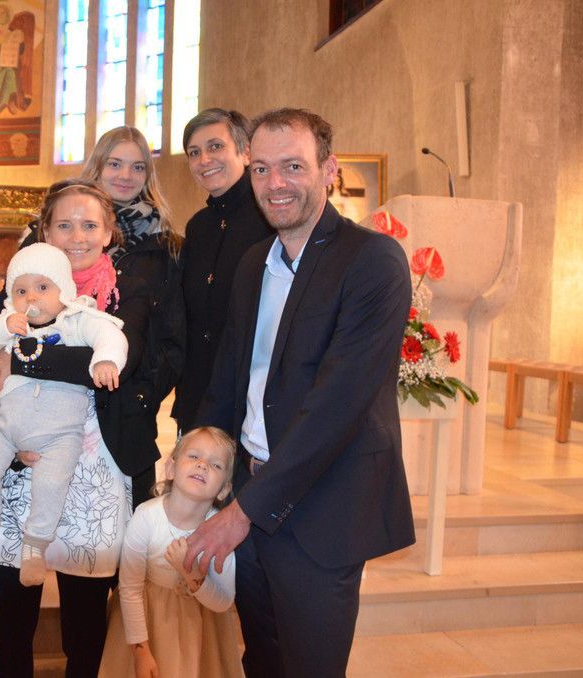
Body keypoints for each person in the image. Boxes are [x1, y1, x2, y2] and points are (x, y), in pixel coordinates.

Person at [185, 108, 416, 677]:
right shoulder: (253, 265)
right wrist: (201, 472)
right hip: (249, 490)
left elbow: (336, 408)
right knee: (261, 659)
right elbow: (230, 379)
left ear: (329, 170)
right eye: (262, 169)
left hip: (323, 508)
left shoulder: (372, 260)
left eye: (293, 166)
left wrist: (241, 513)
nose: (275, 183)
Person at [0, 178, 150, 678]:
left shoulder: (128, 292)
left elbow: (130, 362)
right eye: (64, 225)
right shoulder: (20, 287)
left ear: (108, 232)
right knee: (14, 615)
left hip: (95, 467)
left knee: (85, 622)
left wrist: (26, 360)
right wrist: (7, 439)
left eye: (89, 225)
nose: (77, 236)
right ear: (45, 230)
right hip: (24, 459)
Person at [0, 242, 128, 586]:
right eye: (21, 291)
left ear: (63, 290)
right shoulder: (9, 323)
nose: (31, 297)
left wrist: (106, 360)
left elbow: (110, 335)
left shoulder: (77, 320)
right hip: (4, 426)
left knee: (51, 485)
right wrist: (2, 328)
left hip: (60, 434)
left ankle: (35, 544)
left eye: (43, 287)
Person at [81, 125, 186, 505]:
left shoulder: (167, 247)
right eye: (115, 164)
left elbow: (174, 337)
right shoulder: (59, 232)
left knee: (131, 529)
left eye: (137, 167)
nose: (126, 175)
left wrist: (143, 396)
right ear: (97, 167)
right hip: (61, 408)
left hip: (130, 415)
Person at [99, 427, 244, 678]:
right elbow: (130, 588)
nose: (202, 465)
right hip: (147, 624)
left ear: (223, 489)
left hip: (198, 631)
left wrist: (192, 576)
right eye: (194, 456)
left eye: (216, 465)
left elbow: (223, 601)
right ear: (171, 468)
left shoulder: (220, 533)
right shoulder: (146, 516)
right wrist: (141, 652)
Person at [175, 108, 274, 432]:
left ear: (245, 152)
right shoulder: (198, 226)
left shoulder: (270, 219)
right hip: (198, 394)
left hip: (251, 397)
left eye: (215, 146)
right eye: (194, 152)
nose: (204, 159)